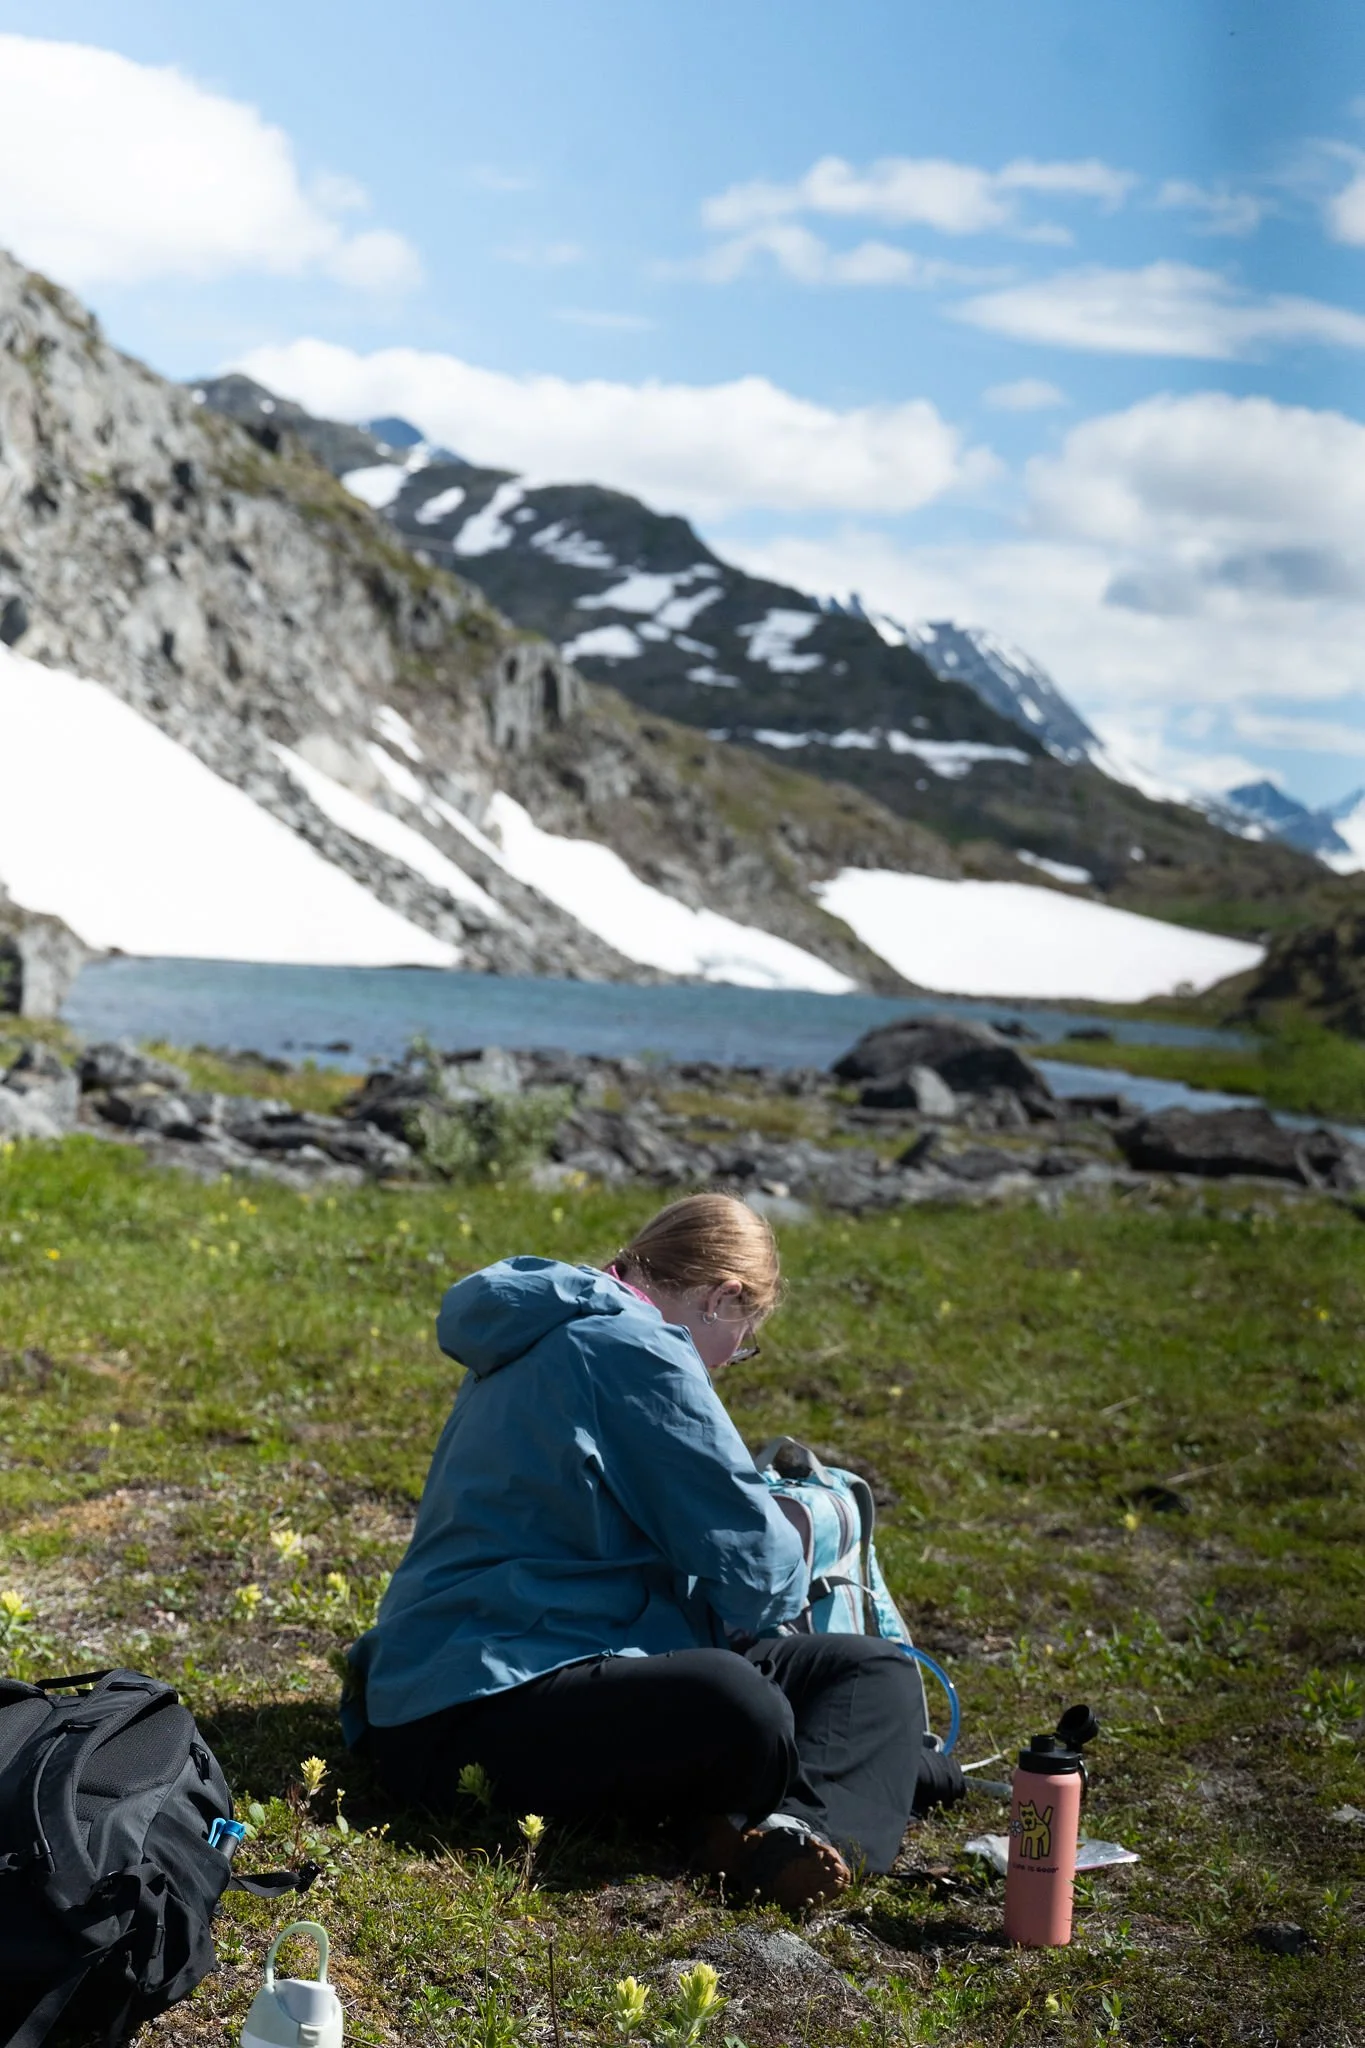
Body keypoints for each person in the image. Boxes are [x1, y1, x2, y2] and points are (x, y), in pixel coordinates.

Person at [342, 1192, 937, 1908]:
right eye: (744, 1342)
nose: (730, 1362)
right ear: (723, 1297)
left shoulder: (552, 1325)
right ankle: (769, 1818)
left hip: (515, 1666)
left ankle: (791, 1839)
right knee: (740, 1704)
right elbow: (759, 1574)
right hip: (481, 1700)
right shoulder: (635, 1347)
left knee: (871, 1670)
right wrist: (798, 1528)